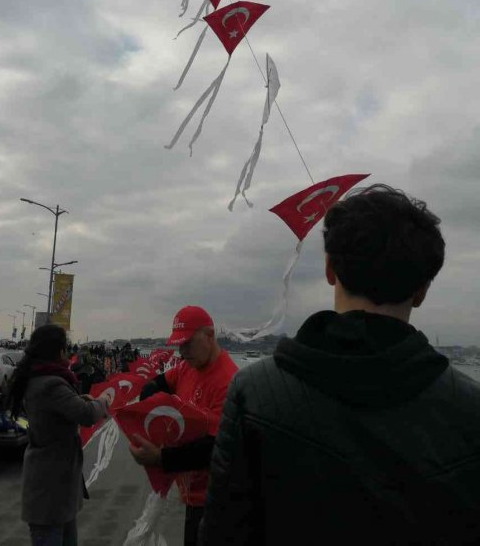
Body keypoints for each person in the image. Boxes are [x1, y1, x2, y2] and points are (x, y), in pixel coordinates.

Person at [201, 184, 480, 546]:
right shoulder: (469, 409)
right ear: (422, 290)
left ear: (330, 269)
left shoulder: (253, 393)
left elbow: (223, 533)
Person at [127, 306, 238, 546]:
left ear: (210, 336)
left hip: (216, 500)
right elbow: (155, 385)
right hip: (191, 494)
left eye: (187, 343)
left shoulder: (228, 381)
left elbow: (214, 447)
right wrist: (148, 412)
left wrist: (161, 458)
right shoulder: (188, 366)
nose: (181, 351)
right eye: (178, 344)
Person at [4, 324, 110, 546]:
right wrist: (104, 400)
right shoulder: (51, 383)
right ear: (59, 351)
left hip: (57, 488)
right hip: (50, 490)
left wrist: (80, 399)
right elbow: (86, 415)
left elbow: (61, 407)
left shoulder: (41, 377)